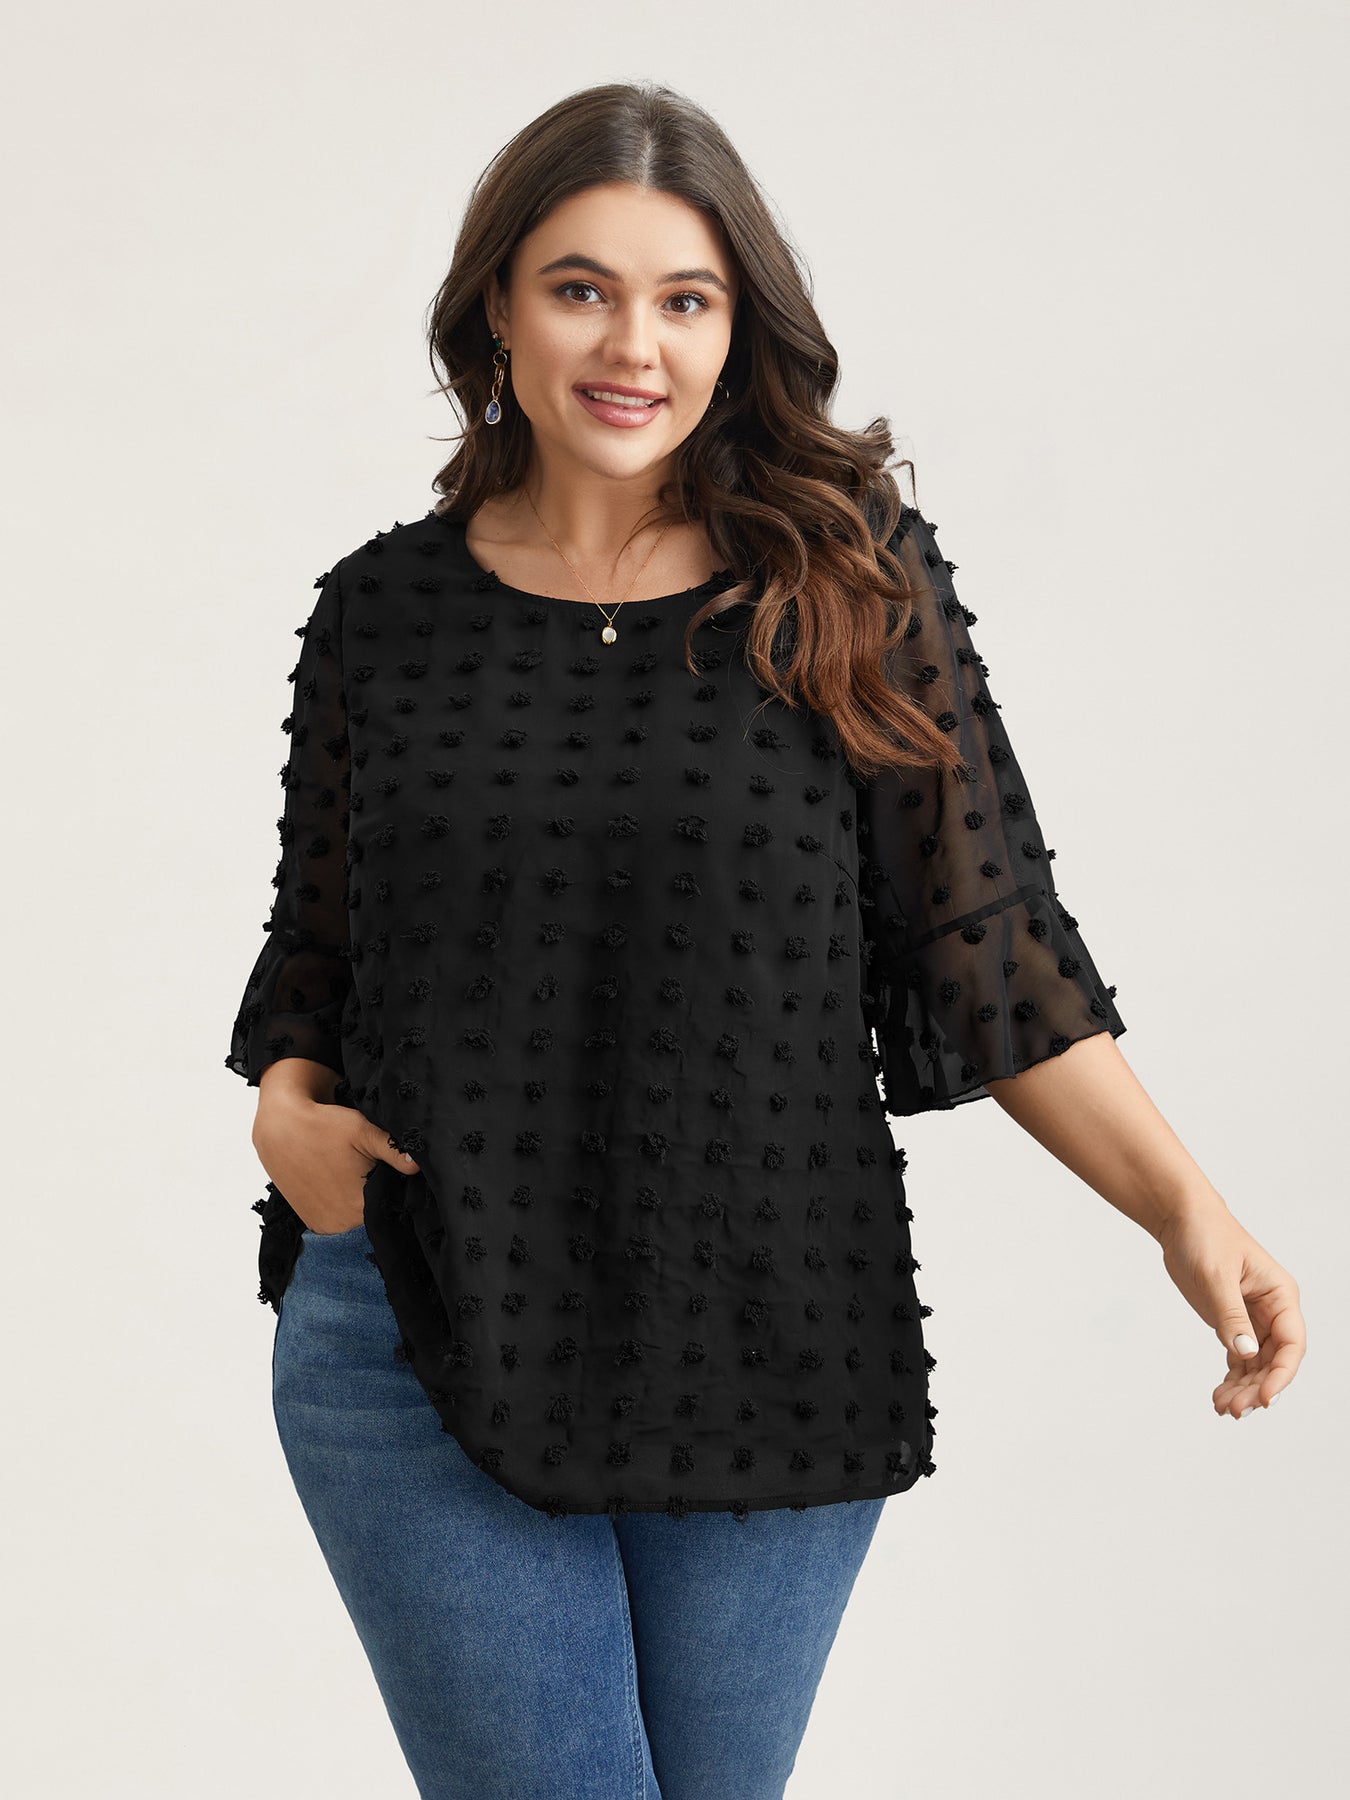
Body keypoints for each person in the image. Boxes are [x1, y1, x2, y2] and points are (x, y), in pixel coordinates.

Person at [224, 80, 1306, 1800]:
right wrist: (285, 1108)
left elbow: (988, 942)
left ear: (739, 331)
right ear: (496, 307)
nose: (630, 344)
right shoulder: (382, 613)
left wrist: (1188, 1212)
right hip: (420, 1319)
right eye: (579, 289)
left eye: (685, 298)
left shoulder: (845, 581)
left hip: (763, 1326)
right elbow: (318, 951)